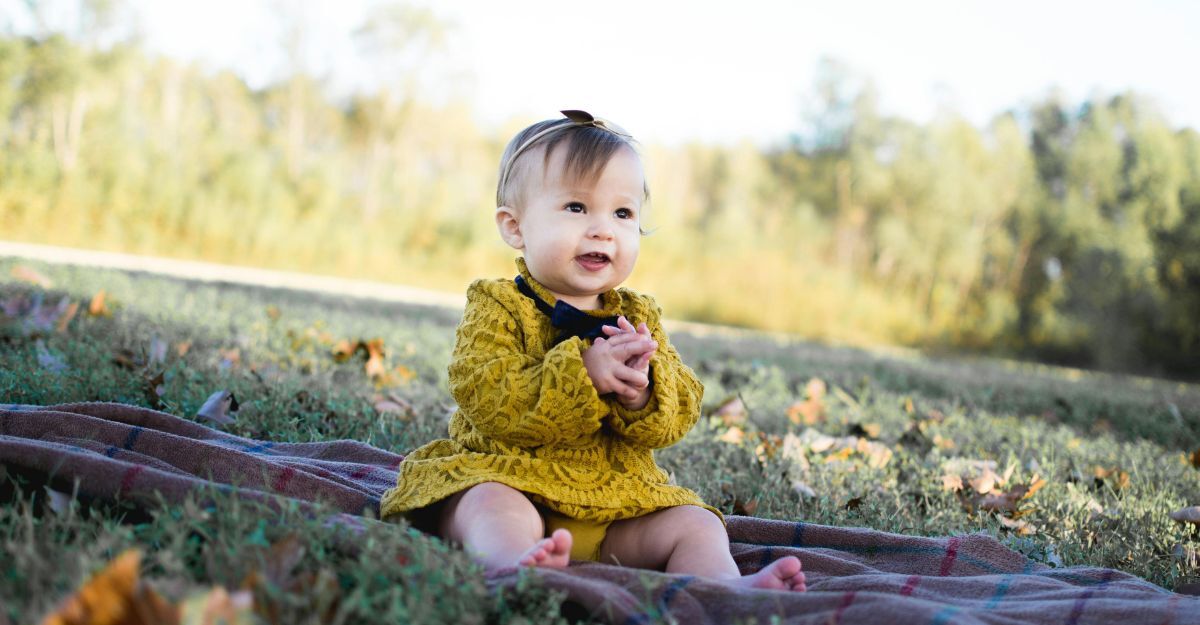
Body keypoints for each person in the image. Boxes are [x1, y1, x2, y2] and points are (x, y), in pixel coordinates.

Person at [380, 110, 805, 592]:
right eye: (577, 208)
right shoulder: (497, 305)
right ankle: (513, 566)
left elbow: (682, 407)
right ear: (515, 227)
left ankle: (725, 589)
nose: (603, 229)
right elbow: (487, 392)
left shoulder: (638, 316)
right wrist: (582, 373)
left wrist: (643, 392)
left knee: (697, 524)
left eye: (622, 214)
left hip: (615, 505)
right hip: (513, 478)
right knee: (484, 505)